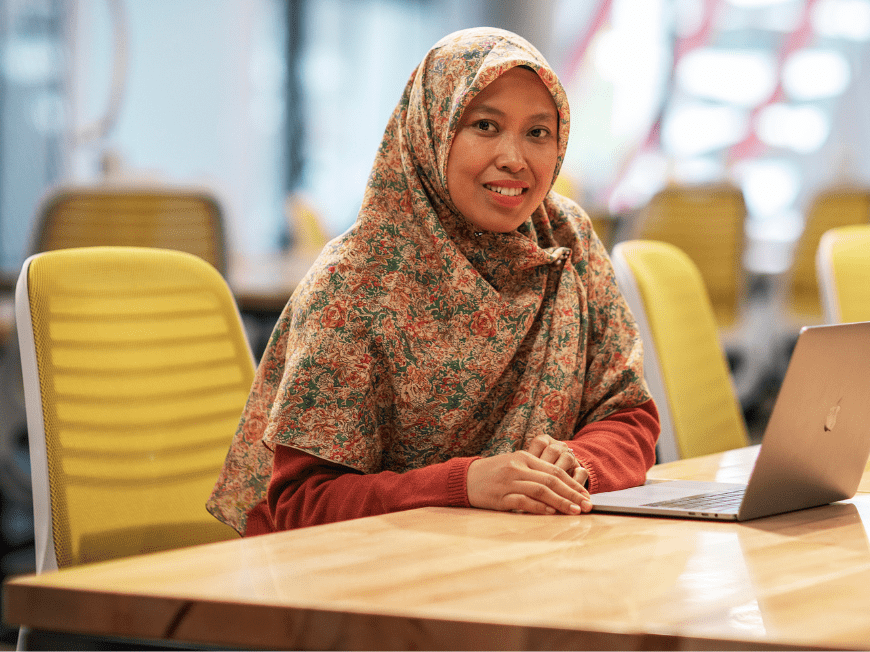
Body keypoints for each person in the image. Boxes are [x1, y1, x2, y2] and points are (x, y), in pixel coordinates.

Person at [208, 27, 661, 536]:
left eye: (539, 132)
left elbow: (630, 415)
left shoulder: (566, 238)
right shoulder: (356, 284)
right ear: (431, 130)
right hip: (369, 588)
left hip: (525, 562)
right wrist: (463, 484)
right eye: (485, 125)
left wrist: (575, 464)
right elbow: (301, 505)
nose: (515, 157)